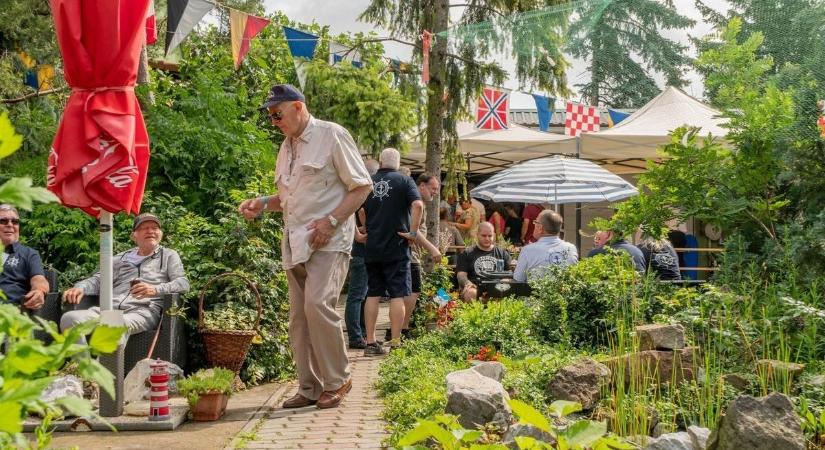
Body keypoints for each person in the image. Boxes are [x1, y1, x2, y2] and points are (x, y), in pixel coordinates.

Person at [238, 84, 373, 410]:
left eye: (277, 114)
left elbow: (362, 186)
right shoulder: (286, 147)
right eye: (270, 117)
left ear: (298, 106)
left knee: (317, 305)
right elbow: (289, 200)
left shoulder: (332, 135)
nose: (274, 121)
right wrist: (262, 203)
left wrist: (331, 222)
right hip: (295, 242)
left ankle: (338, 380)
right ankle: (310, 387)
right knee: (299, 318)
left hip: (328, 240)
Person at [61, 213, 190, 340]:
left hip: (142, 311)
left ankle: (109, 361)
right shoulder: (119, 258)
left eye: (155, 228)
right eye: (145, 228)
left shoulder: (168, 255)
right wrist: (80, 288)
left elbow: (183, 283)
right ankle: (85, 361)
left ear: (160, 234)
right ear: (134, 235)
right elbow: (98, 279)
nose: (150, 231)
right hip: (110, 308)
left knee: (114, 325)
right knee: (69, 319)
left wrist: (155, 289)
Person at [361, 148, 423, 355]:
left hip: (373, 246)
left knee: (373, 293)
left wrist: (365, 229)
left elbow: (360, 208)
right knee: (397, 295)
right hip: (396, 247)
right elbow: (418, 205)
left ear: (380, 162)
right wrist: (413, 232)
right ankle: (395, 342)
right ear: (397, 163)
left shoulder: (369, 181)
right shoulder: (405, 181)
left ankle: (370, 342)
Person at [399, 173, 442, 340]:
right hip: (410, 255)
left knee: (411, 291)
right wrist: (433, 249)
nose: (435, 192)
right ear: (421, 186)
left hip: (413, 254)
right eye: (433, 188)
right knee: (412, 291)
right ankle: (402, 329)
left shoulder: (418, 203)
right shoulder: (416, 204)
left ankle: (401, 328)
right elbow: (414, 232)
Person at [344, 158, 380, 350]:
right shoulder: (360, 189)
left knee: (364, 294)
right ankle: (356, 336)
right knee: (357, 295)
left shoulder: (364, 190)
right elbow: (350, 211)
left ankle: (363, 334)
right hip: (361, 251)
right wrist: (358, 234)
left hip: (366, 250)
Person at [0, 204, 48, 310]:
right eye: (3, 221)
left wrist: (39, 290)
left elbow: (39, 279)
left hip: (11, 311)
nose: (10, 224)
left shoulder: (29, 254)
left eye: (15, 222)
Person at [513, 210, 578, 282]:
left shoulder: (528, 250)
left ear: (540, 228)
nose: (534, 224)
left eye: (535, 222)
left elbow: (518, 279)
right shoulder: (571, 248)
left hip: (536, 292)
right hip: (564, 292)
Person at [456, 222, 511, 301]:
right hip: (475, 287)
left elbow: (509, 274)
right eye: (484, 235)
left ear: (494, 235)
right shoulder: (467, 253)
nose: (487, 238)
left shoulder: (502, 253)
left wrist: (504, 282)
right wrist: (467, 283)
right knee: (470, 293)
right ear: (477, 235)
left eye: (490, 236)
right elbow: (461, 275)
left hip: (497, 288)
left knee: (503, 292)